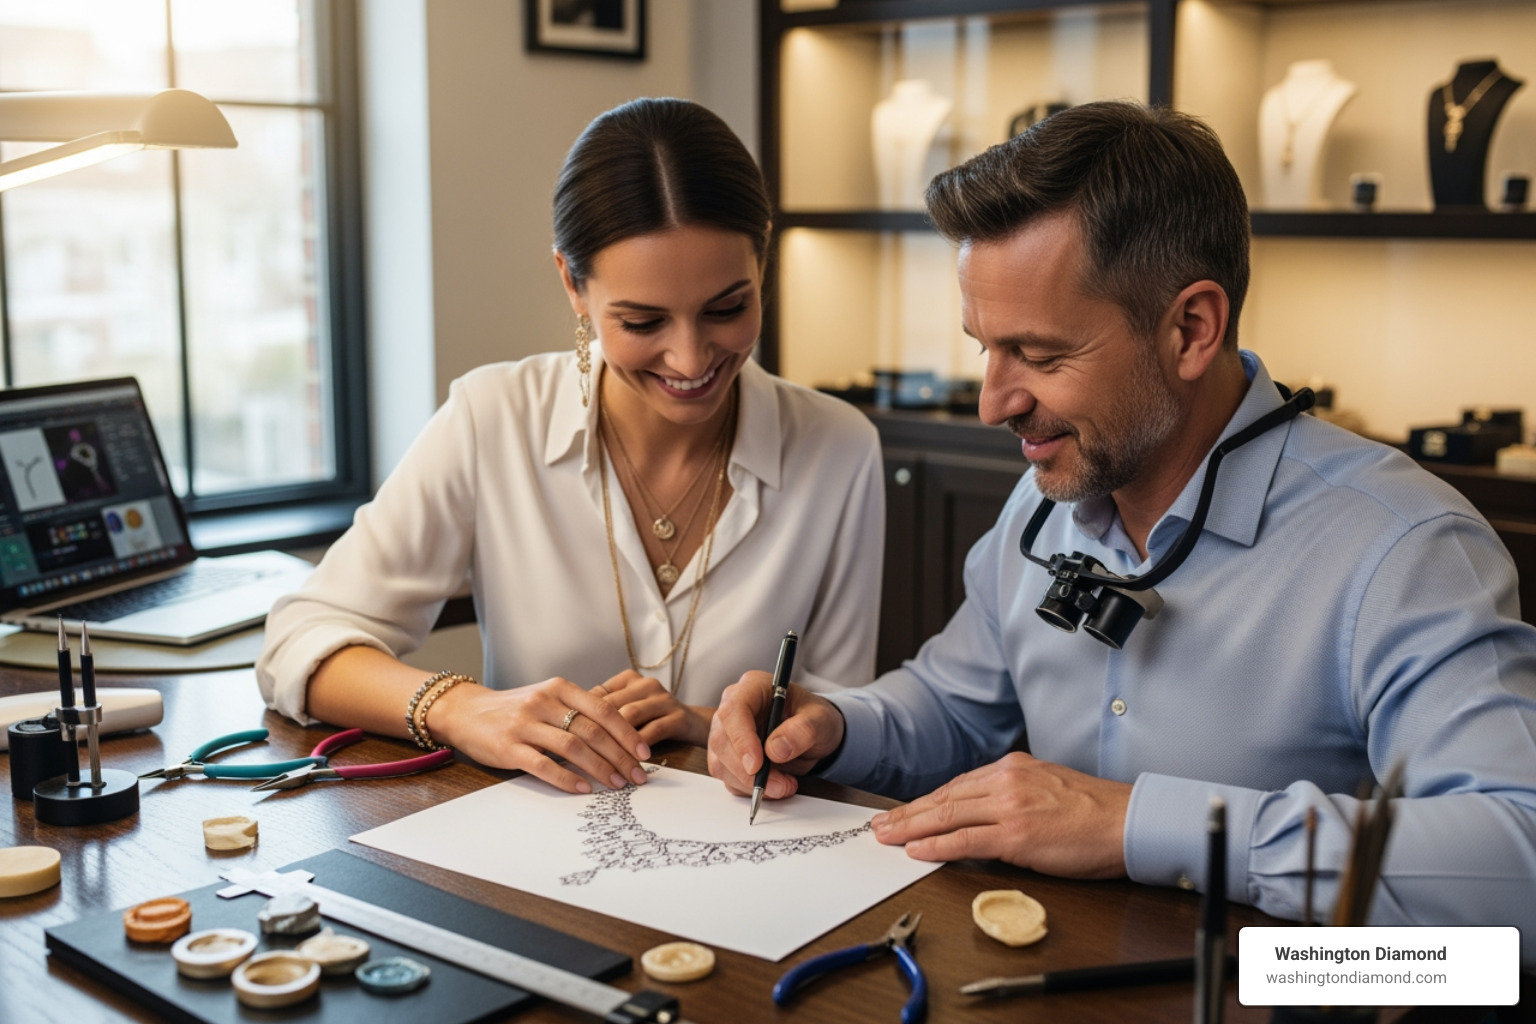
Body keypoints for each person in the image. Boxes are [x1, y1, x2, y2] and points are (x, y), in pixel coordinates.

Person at [709, 101, 1536, 962]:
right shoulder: (1043, 499)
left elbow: (1519, 857)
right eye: (984, 348)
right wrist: (835, 726)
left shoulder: (1405, 547)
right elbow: (957, 706)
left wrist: (1141, 822)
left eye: (1040, 355)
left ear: (1191, 329)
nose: (995, 402)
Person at [257, 98, 884, 795]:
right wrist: (464, 708)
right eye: (643, 321)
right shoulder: (492, 418)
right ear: (573, 285)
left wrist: (705, 722)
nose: (689, 357)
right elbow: (297, 642)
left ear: (761, 262)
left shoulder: (840, 449)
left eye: (727, 308)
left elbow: (844, 723)